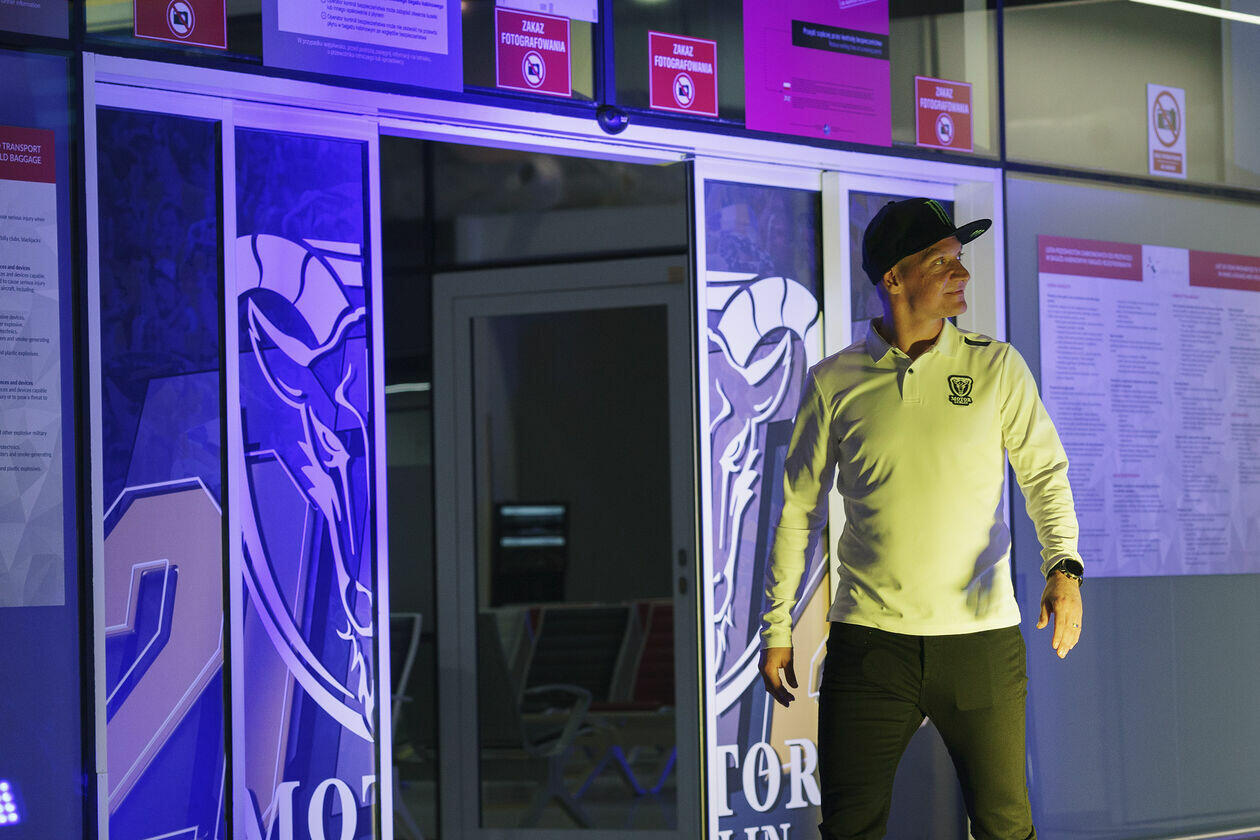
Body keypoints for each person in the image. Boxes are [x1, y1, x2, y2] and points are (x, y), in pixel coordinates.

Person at [758, 198, 1084, 840]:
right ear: (894, 277)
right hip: (870, 647)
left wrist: (1064, 567)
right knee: (848, 829)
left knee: (1006, 828)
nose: (962, 274)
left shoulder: (997, 367)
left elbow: (1045, 475)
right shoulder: (833, 383)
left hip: (982, 643)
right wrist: (776, 627)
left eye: (960, 259)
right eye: (941, 262)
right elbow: (798, 511)